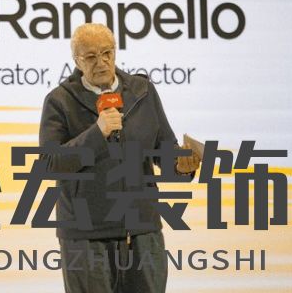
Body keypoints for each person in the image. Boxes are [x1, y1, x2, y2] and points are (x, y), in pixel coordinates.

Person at [39, 23, 201, 293]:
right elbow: (50, 164)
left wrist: (181, 165)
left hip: (143, 232)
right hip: (85, 237)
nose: (101, 62)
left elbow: (163, 148)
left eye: (107, 53)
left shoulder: (142, 92)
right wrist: (97, 133)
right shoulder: (60, 101)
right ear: (77, 61)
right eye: (91, 56)